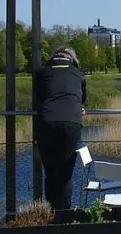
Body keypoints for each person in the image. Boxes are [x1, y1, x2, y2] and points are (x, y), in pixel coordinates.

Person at [34, 46, 86, 210]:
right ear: (72, 59)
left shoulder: (42, 73)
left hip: (46, 122)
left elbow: (39, 97)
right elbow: (82, 97)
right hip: (71, 122)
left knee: (50, 173)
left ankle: (50, 216)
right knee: (65, 175)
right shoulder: (78, 74)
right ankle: (64, 217)